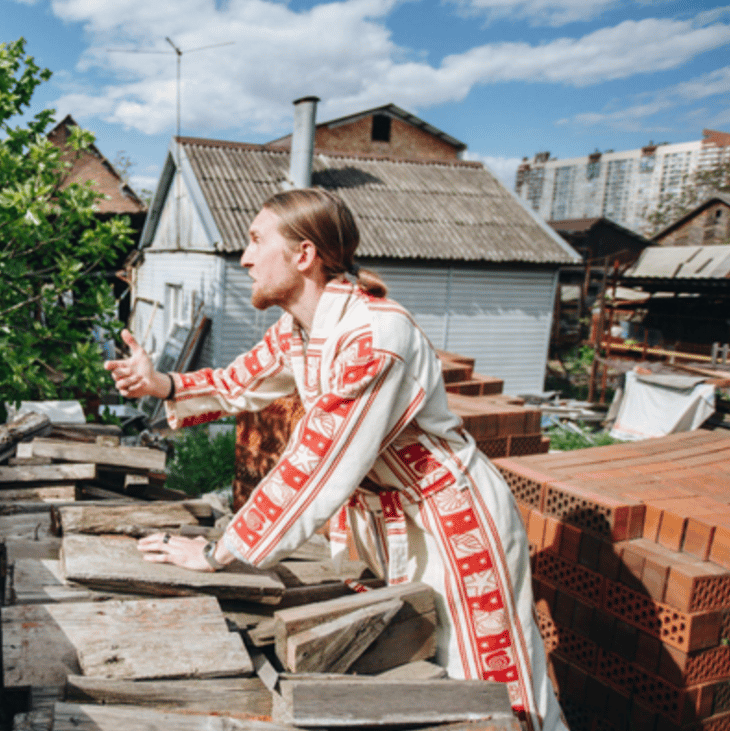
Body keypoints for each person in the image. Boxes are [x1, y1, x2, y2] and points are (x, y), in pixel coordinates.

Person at [105, 188, 563, 731]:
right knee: (414, 680)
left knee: (486, 686)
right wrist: (162, 383)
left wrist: (218, 551)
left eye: (255, 242)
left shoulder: (373, 336)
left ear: (304, 256)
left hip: (448, 523)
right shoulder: (301, 329)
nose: (245, 258)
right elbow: (237, 384)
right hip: (386, 520)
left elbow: (317, 460)